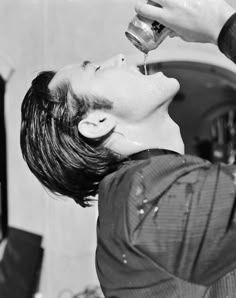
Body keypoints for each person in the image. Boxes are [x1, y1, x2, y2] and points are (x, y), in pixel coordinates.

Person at [20, 0, 236, 297]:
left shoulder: (130, 203)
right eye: (96, 69)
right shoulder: (138, 197)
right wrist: (223, 27)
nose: (120, 58)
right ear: (96, 121)